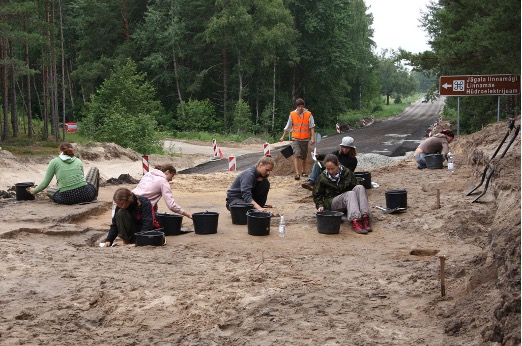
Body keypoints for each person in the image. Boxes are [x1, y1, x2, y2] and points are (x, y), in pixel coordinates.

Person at [313, 154, 371, 234]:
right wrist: (320, 205)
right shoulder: (323, 177)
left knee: (360, 187)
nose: (330, 171)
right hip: (332, 202)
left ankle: (365, 217)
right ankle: (355, 220)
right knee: (350, 194)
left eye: (332, 169)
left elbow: (355, 185)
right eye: (328, 169)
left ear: (338, 165)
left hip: (347, 201)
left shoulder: (346, 172)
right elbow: (317, 193)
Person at [31, 142, 99, 205]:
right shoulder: (78, 161)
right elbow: (82, 179)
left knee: (49, 190)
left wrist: (33, 191)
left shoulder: (54, 162)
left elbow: (45, 183)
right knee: (94, 169)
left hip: (66, 199)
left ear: (60, 151)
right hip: (86, 195)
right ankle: (94, 197)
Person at [279, 98, 315, 180]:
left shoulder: (309, 114)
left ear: (303, 106)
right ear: (297, 106)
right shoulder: (292, 114)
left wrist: (313, 137)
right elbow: (288, 126)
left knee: (304, 156)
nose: (300, 108)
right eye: (299, 106)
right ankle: (297, 173)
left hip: (305, 139)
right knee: (296, 154)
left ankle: (303, 171)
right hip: (295, 138)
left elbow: (312, 126)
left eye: (302, 106)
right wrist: (283, 136)